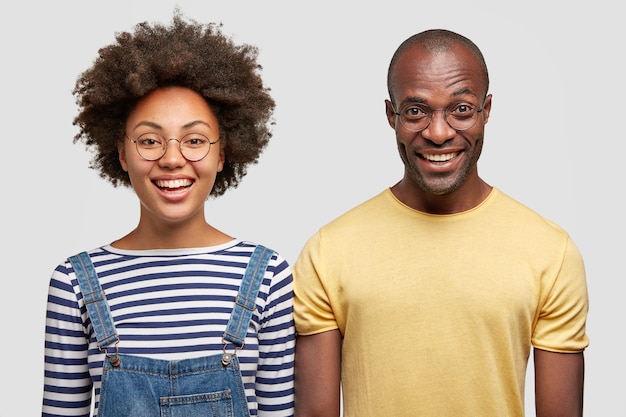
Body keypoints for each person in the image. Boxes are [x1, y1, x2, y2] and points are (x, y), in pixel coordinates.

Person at [293, 29, 589, 417]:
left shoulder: (551, 252)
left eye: (461, 109)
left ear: (486, 112)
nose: (438, 132)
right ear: (391, 116)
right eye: (416, 111)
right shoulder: (327, 251)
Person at [42, 12, 294, 417]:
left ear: (223, 152)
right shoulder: (73, 284)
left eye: (194, 140)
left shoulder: (268, 276)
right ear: (121, 152)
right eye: (149, 140)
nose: (172, 159)